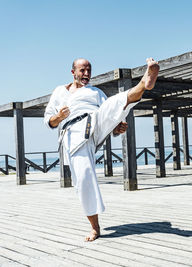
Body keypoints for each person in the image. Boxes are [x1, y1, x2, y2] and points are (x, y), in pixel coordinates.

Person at [44, 58, 159, 241]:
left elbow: (110, 115)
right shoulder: (59, 92)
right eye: (83, 70)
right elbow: (49, 121)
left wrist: (116, 127)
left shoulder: (96, 92)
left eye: (89, 70)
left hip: (94, 120)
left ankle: (143, 83)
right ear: (73, 72)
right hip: (73, 134)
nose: (87, 74)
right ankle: (95, 227)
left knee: (114, 103)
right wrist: (58, 117)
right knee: (84, 177)